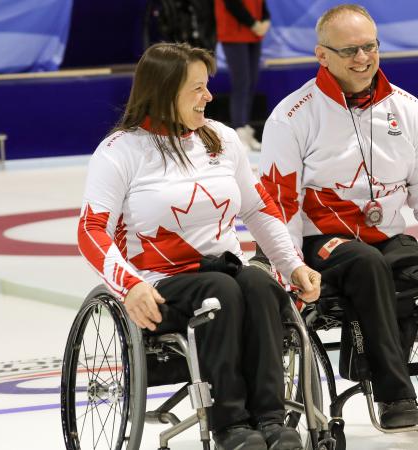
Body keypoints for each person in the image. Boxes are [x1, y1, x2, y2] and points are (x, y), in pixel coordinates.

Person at [77, 42, 321, 450]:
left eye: (208, 86)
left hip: (225, 270)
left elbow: (259, 210)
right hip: (159, 282)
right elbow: (91, 230)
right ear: (163, 90)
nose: (208, 96)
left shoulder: (221, 139)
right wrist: (130, 286)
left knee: (261, 285)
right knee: (221, 291)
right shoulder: (120, 152)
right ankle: (231, 425)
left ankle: (272, 418)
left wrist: (293, 265)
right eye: (197, 89)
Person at [258, 4, 418, 429]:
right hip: (317, 241)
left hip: (383, 235)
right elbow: (278, 206)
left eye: (370, 47)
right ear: (321, 55)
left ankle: (369, 361)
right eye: (350, 51)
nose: (363, 58)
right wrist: (287, 270)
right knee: (366, 264)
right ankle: (394, 396)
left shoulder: (409, 110)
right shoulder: (293, 116)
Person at [214, 0, 271, 152]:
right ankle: (239, 130)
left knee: (251, 83)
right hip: (234, 34)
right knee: (241, 83)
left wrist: (265, 20)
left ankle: (245, 127)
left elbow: (262, 5)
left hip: (254, 35)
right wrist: (253, 24)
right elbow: (232, 5)